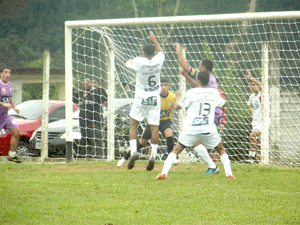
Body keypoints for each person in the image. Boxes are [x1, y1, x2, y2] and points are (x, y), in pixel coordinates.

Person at [155, 70, 234, 180]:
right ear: (208, 82)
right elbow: (223, 103)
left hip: (191, 128)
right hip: (208, 128)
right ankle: (229, 174)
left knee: (176, 150)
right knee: (221, 149)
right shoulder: (214, 93)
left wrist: (178, 97)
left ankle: (163, 173)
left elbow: (177, 107)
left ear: (198, 81)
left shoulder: (190, 92)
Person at [175, 42, 232, 175]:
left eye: (199, 65)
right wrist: (186, 76)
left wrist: (178, 51)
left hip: (209, 113)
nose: (198, 67)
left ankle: (213, 166)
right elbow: (197, 87)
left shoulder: (202, 74)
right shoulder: (210, 78)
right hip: (214, 112)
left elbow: (185, 66)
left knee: (195, 141)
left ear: (204, 67)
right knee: (201, 142)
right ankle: (216, 166)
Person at [117, 78, 180, 167]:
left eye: (165, 85)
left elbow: (178, 107)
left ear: (168, 86)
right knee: (142, 142)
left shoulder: (172, 96)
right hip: (154, 121)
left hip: (165, 121)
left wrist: (178, 98)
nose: (164, 87)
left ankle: (172, 158)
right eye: (161, 85)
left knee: (169, 133)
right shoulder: (155, 96)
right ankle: (125, 158)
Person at [125, 31, 165, 171]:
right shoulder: (158, 60)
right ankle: (153, 156)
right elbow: (161, 51)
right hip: (154, 98)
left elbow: (127, 64)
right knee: (154, 127)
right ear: (153, 52)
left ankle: (134, 151)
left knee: (133, 125)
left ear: (143, 52)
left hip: (141, 98)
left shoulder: (138, 61)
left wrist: (130, 61)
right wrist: (154, 40)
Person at [73, 78, 107, 157]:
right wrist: (71, 84)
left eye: (87, 83)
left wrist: (97, 85)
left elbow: (104, 96)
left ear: (91, 83)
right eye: (84, 83)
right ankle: (86, 157)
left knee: (97, 143)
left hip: (94, 124)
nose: (86, 85)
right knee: (85, 144)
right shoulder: (80, 94)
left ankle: (99, 158)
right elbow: (73, 96)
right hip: (84, 125)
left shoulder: (95, 93)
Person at [0, 67, 22, 163]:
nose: (7, 74)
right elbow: (4, 102)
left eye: (9, 72)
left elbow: (9, 98)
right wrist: (2, 104)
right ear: (1, 74)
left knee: (17, 133)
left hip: (5, 115)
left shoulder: (9, 85)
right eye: (5, 72)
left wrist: (14, 107)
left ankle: (12, 155)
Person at [245, 70, 262, 163]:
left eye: (253, 85)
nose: (252, 87)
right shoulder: (252, 96)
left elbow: (261, 85)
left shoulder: (262, 93)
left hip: (263, 122)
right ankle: (260, 163)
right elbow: (249, 104)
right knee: (259, 144)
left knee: (252, 135)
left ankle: (251, 157)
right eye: (250, 85)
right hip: (255, 122)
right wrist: (253, 112)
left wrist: (251, 77)